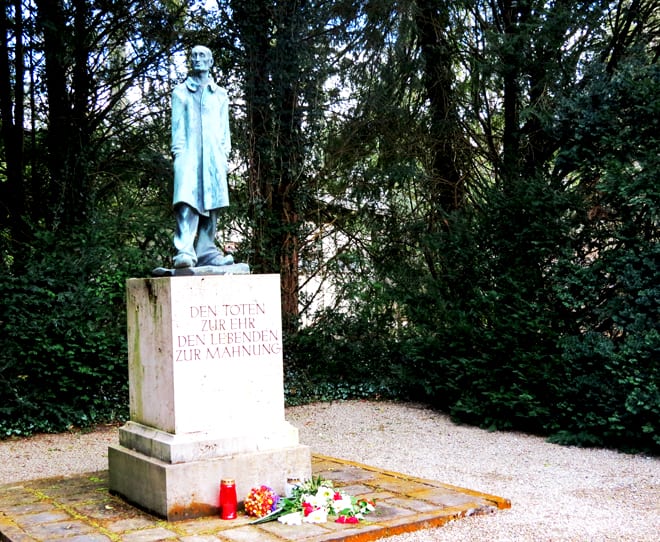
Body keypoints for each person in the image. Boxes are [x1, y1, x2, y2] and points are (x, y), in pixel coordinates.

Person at [170, 45, 233, 268]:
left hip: (214, 155)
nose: (197, 59)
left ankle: (206, 250)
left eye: (202, 56)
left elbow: (224, 130)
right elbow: (177, 129)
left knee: (213, 204)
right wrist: (178, 156)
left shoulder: (220, 95)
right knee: (186, 202)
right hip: (189, 153)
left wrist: (225, 155)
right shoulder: (180, 92)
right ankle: (184, 250)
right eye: (194, 56)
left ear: (210, 61)